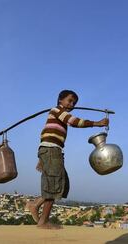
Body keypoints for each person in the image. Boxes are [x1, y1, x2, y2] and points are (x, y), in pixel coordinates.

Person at [27, 90, 109, 229]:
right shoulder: (57, 110)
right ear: (60, 100)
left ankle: (35, 205)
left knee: (61, 184)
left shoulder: (58, 114)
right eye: (69, 101)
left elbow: (46, 136)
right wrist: (97, 123)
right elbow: (74, 121)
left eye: (74, 103)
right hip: (51, 151)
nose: (72, 104)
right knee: (54, 184)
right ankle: (43, 221)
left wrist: (42, 157)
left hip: (53, 151)